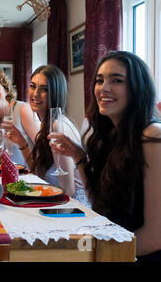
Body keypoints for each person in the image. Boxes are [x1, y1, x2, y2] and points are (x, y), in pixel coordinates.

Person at [48, 51, 161, 261]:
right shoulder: (109, 136)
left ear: (138, 88)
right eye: (100, 80)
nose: (104, 88)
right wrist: (78, 156)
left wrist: (97, 254)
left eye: (116, 80)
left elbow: (156, 237)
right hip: (117, 244)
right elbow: (99, 204)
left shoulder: (152, 135)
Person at [4, 65, 89, 206]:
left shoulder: (57, 126)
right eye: (33, 86)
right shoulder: (46, 124)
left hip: (73, 206)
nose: (35, 94)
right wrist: (21, 143)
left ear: (55, 93)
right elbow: (37, 170)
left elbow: (68, 190)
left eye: (44, 89)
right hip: (58, 199)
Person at [0, 68, 40, 167]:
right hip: (10, 176)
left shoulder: (23, 110)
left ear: (6, 90)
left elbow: (43, 148)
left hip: (31, 175)